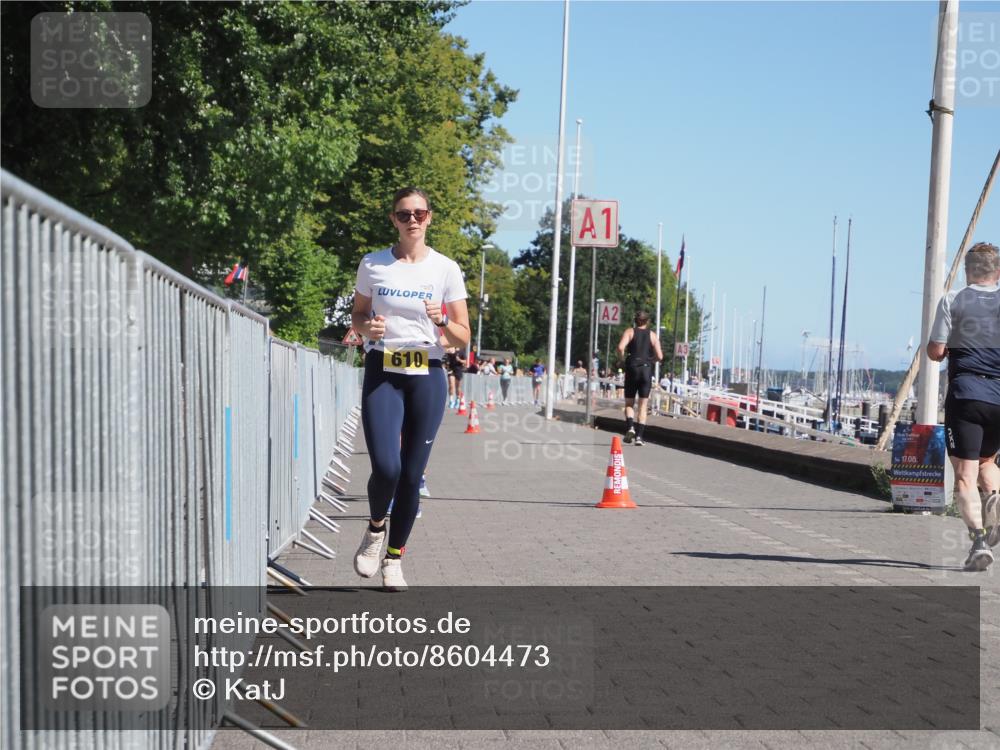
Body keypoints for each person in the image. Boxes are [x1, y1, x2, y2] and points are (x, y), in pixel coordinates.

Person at [351, 187, 469, 591]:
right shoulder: (374, 264)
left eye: (419, 213)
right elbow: (359, 317)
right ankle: (375, 529)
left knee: (413, 474)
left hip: (428, 372)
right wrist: (369, 328)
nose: (412, 220)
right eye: (404, 214)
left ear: (430, 218)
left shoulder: (446, 269)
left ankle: (394, 559)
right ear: (394, 220)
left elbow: (462, 336)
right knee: (387, 467)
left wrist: (441, 322)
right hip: (383, 369)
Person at [927, 241, 1000, 572]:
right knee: (987, 461)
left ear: (969, 270)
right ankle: (995, 501)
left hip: (967, 393)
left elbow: (935, 351)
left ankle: (979, 541)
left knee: (964, 476)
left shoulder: (953, 299)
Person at [616, 310, 664, 446]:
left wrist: (621, 360)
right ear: (647, 322)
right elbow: (660, 357)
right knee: (643, 406)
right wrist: (650, 360)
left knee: (629, 403)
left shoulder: (630, 332)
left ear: (635, 321)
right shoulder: (652, 335)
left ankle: (630, 427)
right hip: (646, 369)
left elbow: (620, 348)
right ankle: (639, 437)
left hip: (632, 368)